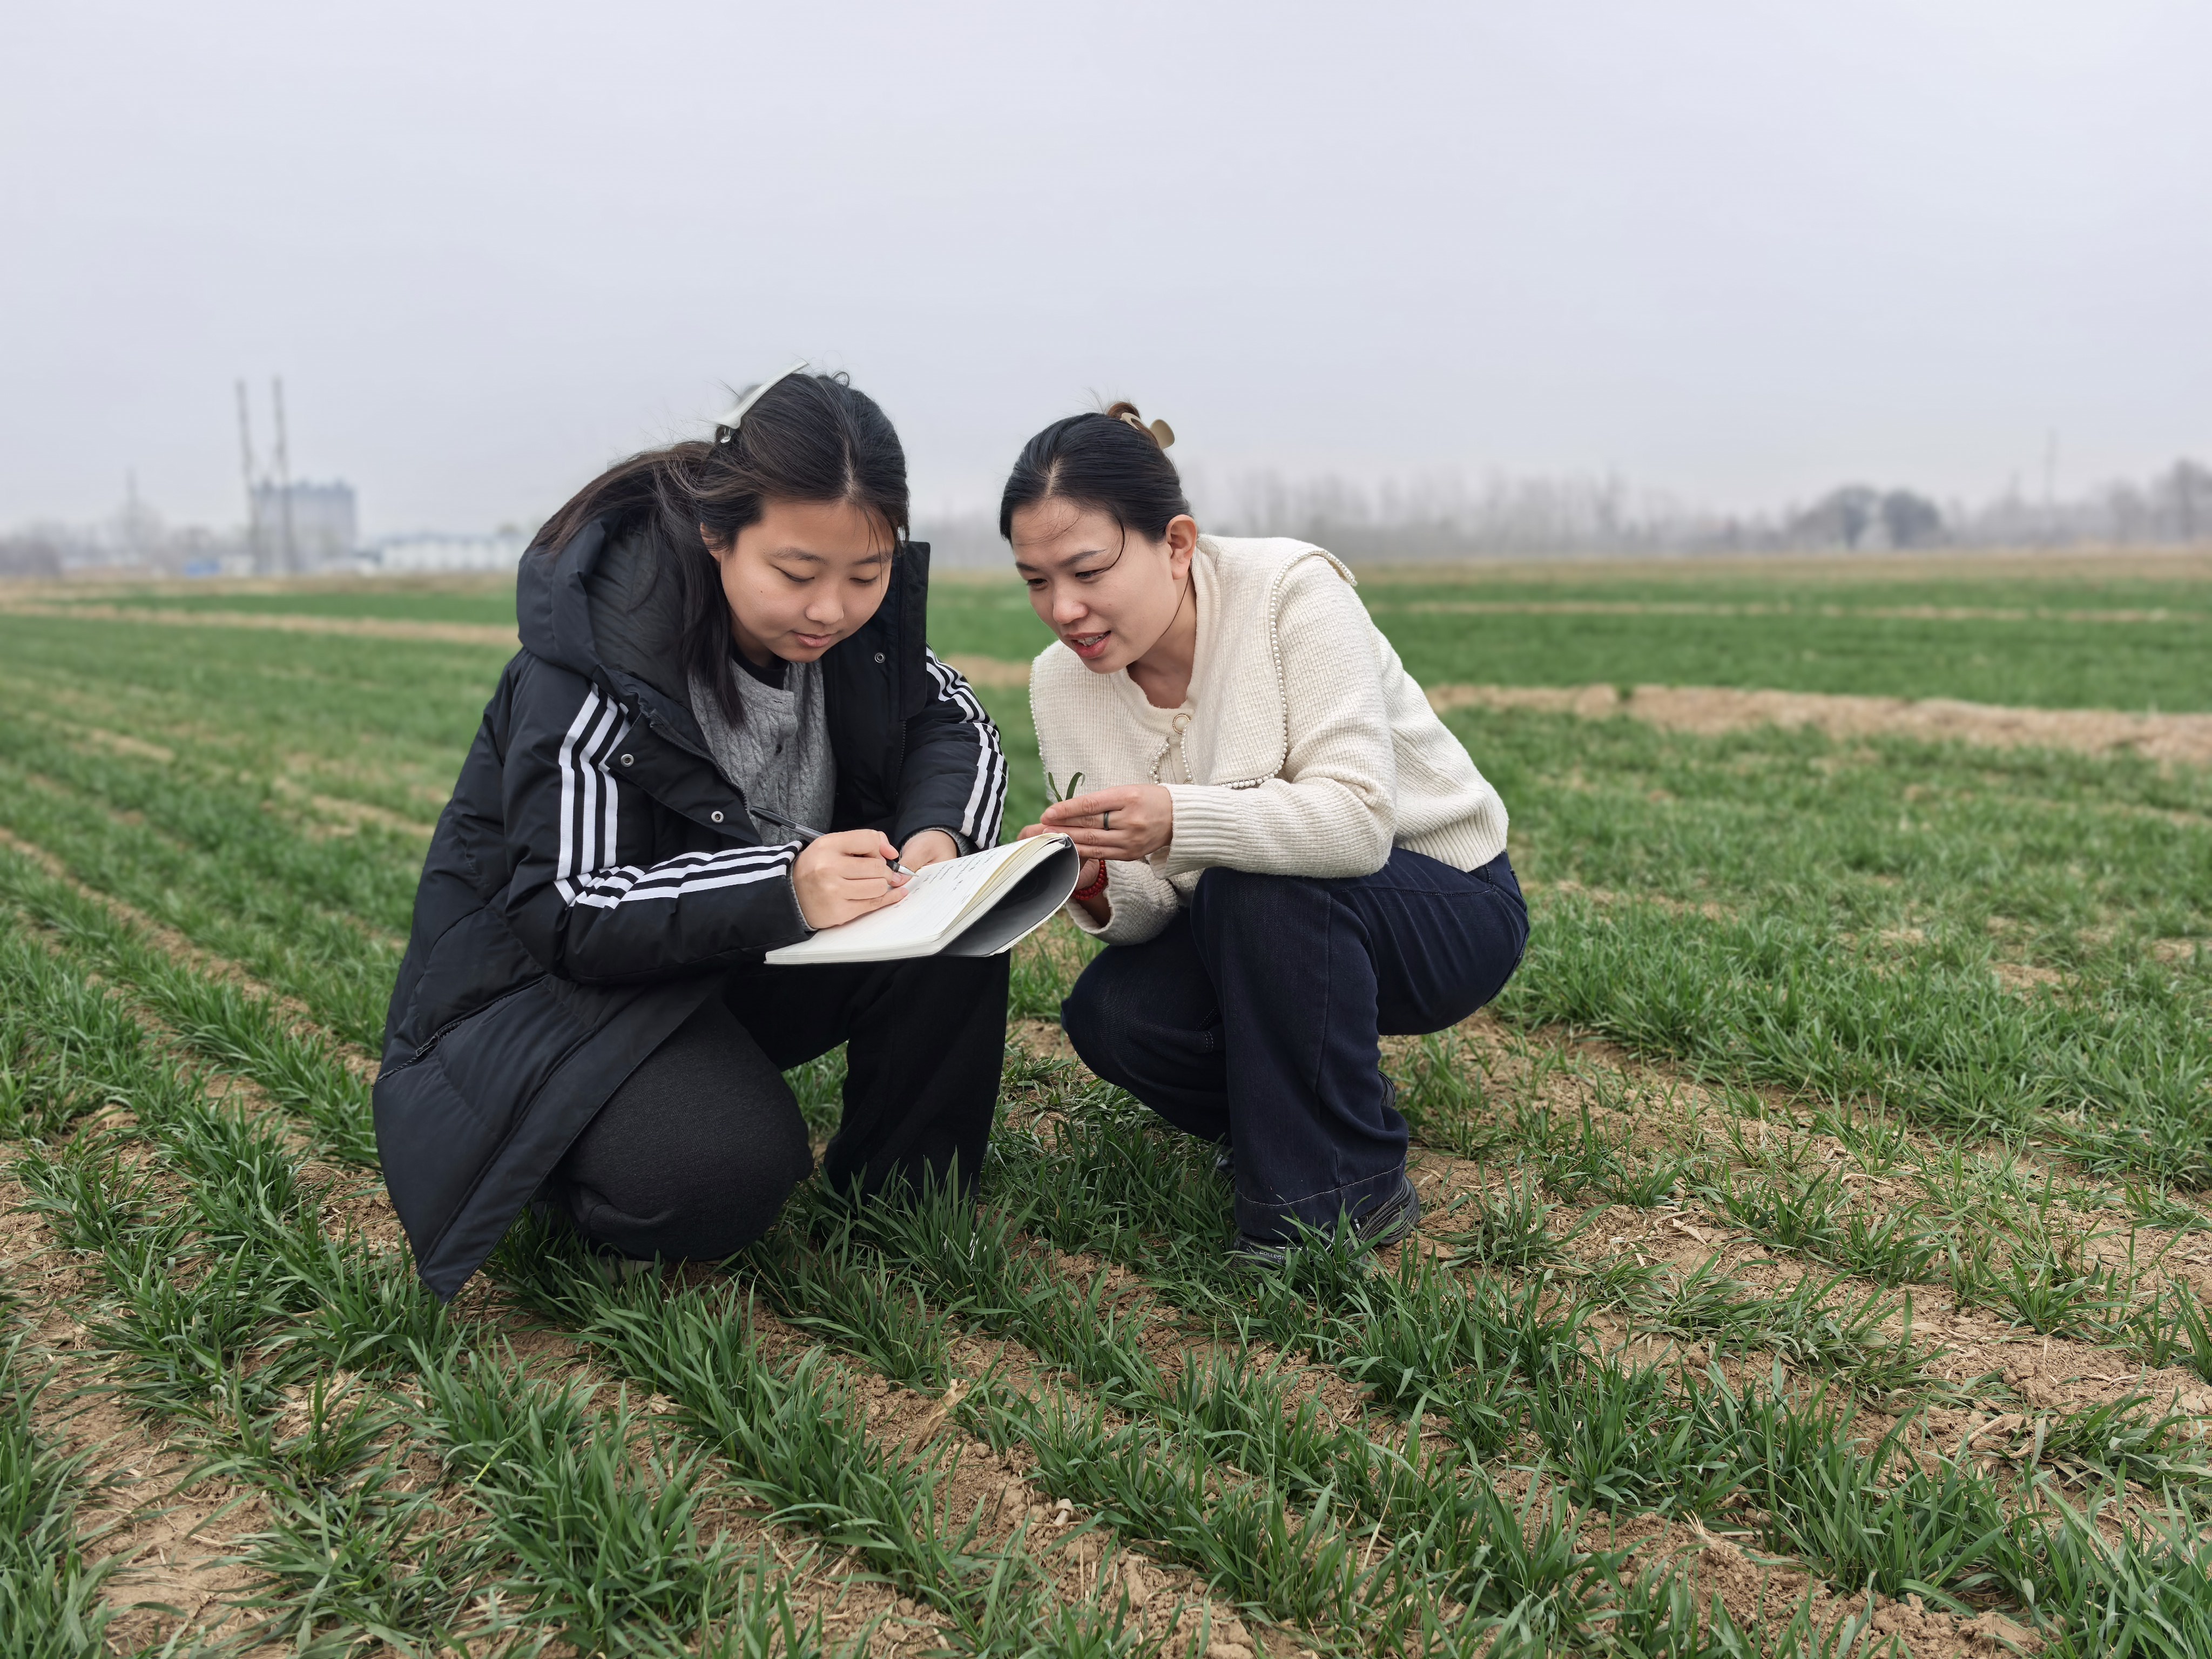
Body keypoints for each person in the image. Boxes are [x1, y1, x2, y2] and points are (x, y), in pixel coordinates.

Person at [376, 368, 1009, 1298]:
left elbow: (959, 726)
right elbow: (568, 911)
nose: (832, 609)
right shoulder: (595, 668)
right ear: (720, 535)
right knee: (717, 1177)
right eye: (797, 574)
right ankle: (560, 1162)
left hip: (722, 956)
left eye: (867, 574)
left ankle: (903, 1196)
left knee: (957, 920)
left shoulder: (857, 641)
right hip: (562, 1000)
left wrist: (935, 843)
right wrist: (786, 887)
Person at [1009, 403, 1524, 1267]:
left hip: (1439, 905)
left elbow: (1357, 826)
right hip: (1249, 922)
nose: (1064, 608)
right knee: (1115, 1016)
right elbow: (1153, 913)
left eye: (1088, 571)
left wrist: (1177, 818)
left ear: (1177, 544)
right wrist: (1094, 879)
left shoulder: (1291, 590)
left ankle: (1340, 1196)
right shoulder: (1061, 683)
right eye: (1035, 581)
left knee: (1255, 879)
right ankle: (1306, 1109)